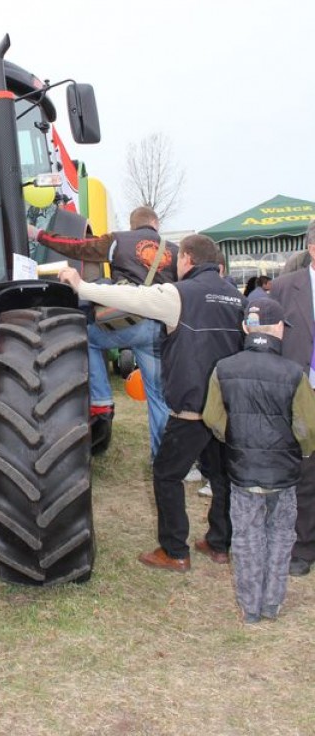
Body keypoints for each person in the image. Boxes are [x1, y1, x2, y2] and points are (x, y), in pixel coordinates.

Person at [59, 234, 246, 572]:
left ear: (187, 258)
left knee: (166, 474)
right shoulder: (236, 297)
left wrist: (81, 287)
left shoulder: (180, 294)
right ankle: (220, 544)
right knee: (221, 476)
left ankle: (175, 551)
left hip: (192, 407)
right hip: (228, 407)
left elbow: (132, 296)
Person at [28, 206, 177, 457]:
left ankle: (101, 402)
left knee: (86, 336)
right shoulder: (175, 249)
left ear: (133, 225)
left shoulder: (118, 240)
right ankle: (162, 459)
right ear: (155, 223)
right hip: (160, 328)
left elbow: (76, 246)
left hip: (127, 324)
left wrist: (39, 234)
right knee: (158, 398)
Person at [202, 297, 315, 622]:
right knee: (281, 535)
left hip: (242, 471)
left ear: (244, 327)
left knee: (246, 536)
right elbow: (306, 426)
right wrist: (301, 450)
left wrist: (234, 438)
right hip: (284, 473)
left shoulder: (224, 368)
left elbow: (213, 416)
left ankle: (249, 607)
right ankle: (271, 604)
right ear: (279, 329)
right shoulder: (294, 373)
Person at [270, 219, 315, 576]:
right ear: (312, 248)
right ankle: (303, 548)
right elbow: (270, 337)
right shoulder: (285, 288)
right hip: (301, 394)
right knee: (305, 472)